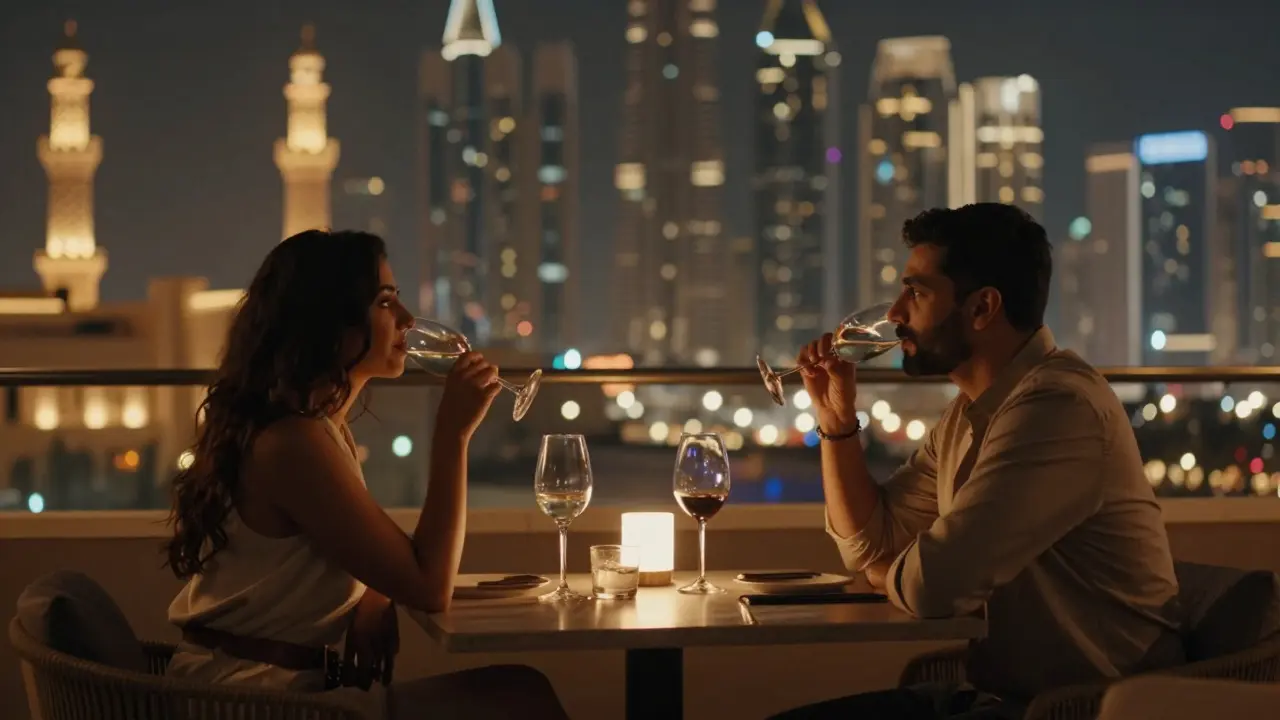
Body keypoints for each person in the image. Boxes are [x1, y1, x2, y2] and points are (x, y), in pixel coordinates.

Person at [772, 204, 1184, 719]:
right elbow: (870, 543)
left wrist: (887, 575)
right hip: (993, 698)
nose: (896, 314)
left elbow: (931, 589)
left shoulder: (1058, 410)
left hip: (1083, 708)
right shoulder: (969, 414)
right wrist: (836, 422)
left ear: (983, 307)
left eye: (917, 293)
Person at [163, 230, 569, 720]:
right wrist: (453, 436)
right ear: (331, 322)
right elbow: (428, 586)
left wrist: (372, 592)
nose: (406, 320)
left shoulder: (320, 427)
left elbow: (345, 542)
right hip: (248, 698)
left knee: (521, 693)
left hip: (274, 686)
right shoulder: (295, 443)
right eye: (384, 302)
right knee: (521, 697)